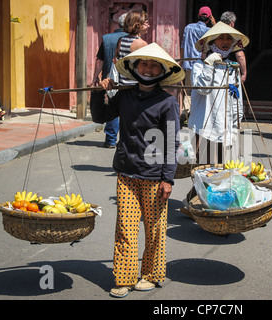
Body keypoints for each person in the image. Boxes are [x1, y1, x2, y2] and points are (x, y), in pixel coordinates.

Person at [90, 43, 185, 298]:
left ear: (163, 71)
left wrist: (168, 179)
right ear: (134, 66)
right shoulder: (124, 95)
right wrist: (99, 92)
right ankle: (124, 277)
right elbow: (100, 117)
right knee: (126, 227)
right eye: (144, 63)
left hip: (154, 177)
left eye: (155, 65)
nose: (149, 68)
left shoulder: (167, 103)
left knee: (154, 229)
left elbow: (172, 142)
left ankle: (152, 275)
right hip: (126, 172)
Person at [188, 21, 249, 164]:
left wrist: (235, 123)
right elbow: (203, 89)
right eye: (221, 38)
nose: (226, 42)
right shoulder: (199, 66)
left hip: (224, 126)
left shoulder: (232, 68)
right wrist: (209, 65)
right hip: (204, 126)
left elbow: (237, 99)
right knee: (205, 169)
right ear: (211, 42)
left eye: (229, 38)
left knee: (221, 168)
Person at [91, 13, 128, 148]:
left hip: (109, 80)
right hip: (126, 81)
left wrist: (95, 77)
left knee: (112, 106)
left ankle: (111, 140)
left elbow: (99, 60)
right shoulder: (132, 40)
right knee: (126, 109)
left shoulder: (106, 38)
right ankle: (124, 140)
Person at [179, 6, 216, 121]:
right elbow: (218, 35)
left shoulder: (188, 28)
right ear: (209, 18)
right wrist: (214, 23)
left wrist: (181, 61)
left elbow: (183, 45)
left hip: (188, 63)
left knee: (189, 90)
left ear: (198, 16)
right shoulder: (208, 31)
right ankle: (189, 115)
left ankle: (186, 113)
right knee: (200, 90)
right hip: (201, 65)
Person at [114, 8, 150, 85]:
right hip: (135, 85)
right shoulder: (142, 44)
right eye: (146, 23)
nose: (148, 26)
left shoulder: (121, 40)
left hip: (122, 84)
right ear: (138, 25)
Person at [220, 11, 248, 82]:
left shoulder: (213, 33)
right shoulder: (235, 36)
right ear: (232, 23)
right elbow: (240, 56)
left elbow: (204, 52)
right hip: (226, 70)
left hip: (211, 68)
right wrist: (244, 73)